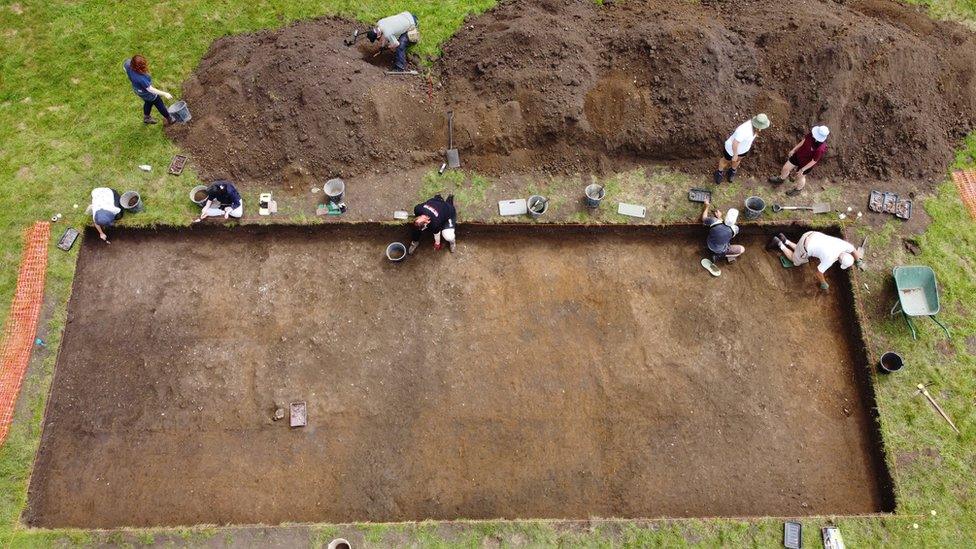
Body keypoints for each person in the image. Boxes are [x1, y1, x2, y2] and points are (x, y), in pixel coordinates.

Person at [770, 231, 864, 290]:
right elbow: (819, 273)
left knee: (802, 252)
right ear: (840, 262)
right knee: (796, 261)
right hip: (805, 245)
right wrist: (823, 283)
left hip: (811, 235)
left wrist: (858, 260)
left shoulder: (845, 246)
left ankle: (785, 240)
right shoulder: (830, 259)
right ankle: (779, 243)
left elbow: (854, 250)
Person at [768, 126, 830, 196]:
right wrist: (794, 149)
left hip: (807, 163)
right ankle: (781, 179)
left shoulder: (820, 148)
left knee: (800, 176)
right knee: (786, 167)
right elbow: (804, 141)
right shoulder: (811, 135)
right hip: (799, 155)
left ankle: (798, 189)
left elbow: (814, 161)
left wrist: (803, 169)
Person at [715, 113, 770, 184]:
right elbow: (735, 142)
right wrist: (735, 154)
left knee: (737, 160)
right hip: (731, 150)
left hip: (743, 150)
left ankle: (732, 170)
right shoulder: (744, 130)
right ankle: (719, 172)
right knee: (725, 161)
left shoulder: (756, 128)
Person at [123, 54, 174, 125]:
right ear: (138, 67)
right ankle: (169, 118)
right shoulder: (141, 79)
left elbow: (124, 68)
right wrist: (165, 94)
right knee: (158, 102)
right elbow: (150, 89)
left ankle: (146, 118)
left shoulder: (128, 64)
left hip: (137, 89)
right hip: (145, 92)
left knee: (148, 102)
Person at [701, 200, 744, 264]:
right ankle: (718, 256)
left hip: (709, 243)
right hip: (720, 249)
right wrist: (720, 218)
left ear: (726, 216)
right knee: (742, 249)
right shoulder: (735, 229)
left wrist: (706, 206)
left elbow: (704, 218)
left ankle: (717, 254)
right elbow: (726, 227)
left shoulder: (714, 221)